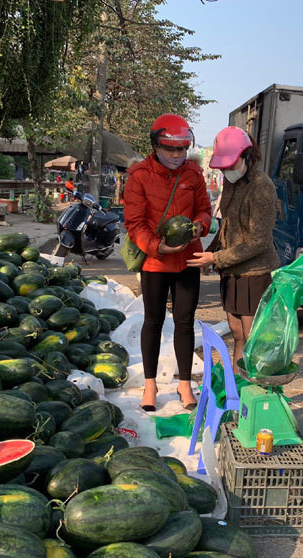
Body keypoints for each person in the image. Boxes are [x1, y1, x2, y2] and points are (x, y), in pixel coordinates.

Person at [123, 114, 212, 412]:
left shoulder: (194, 175)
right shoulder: (139, 176)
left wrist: (199, 227)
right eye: (170, 149)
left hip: (188, 260)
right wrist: (157, 246)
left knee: (185, 322)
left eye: (182, 149)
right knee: (153, 321)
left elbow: (205, 211)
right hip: (155, 262)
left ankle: (184, 384)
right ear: (156, 145)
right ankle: (150, 385)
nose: (176, 155)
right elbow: (134, 223)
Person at [187, 127, 280, 365]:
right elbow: (228, 225)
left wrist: (216, 259)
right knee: (237, 333)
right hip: (232, 271)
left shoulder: (262, 186)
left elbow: (258, 241)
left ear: (247, 156)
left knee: (252, 337)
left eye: (231, 164)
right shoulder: (231, 183)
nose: (227, 170)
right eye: (224, 166)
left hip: (255, 274)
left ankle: (255, 388)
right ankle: (238, 387)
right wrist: (212, 253)